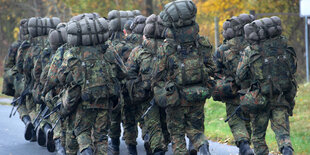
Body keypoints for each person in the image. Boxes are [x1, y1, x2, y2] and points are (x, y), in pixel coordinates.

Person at [236, 16, 297, 155]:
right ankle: (287, 150)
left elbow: (240, 75)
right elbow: (292, 69)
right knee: (283, 133)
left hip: (259, 99)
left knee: (258, 136)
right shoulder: (282, 45)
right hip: (281, 97)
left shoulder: (250, 50)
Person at [126, 14, 170, 155]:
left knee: (153, 126)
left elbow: (129, 74)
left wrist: (139, 89)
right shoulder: (169, 49)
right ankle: (161, 146)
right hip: (168, 94)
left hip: (147, 96)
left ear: (145, 33)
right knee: (165, 124)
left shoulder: (138, 51)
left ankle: (157, 148)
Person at [212, 14, 255, 155]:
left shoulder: (223, 49)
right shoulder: (253, 45)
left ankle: (243, 144)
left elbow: (215, 71)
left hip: (233, 93)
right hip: (252, 92)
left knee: (236, 121)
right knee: (248, 119)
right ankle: (247, 145)